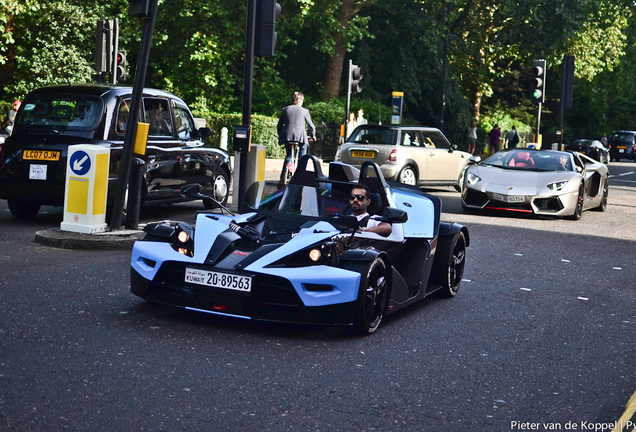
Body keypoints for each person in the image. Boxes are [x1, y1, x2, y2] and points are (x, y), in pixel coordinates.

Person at [277, 92, 316, 182]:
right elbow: (311, 126)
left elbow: (279, 125)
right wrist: (313, 136)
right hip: (300, 137)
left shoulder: (285, 109)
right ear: (299, 100)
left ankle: (282, 177)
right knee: (303, 155)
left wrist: (281, 136)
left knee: (289, 156)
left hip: (287, 136)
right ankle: (301, 175)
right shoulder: (304, 111)